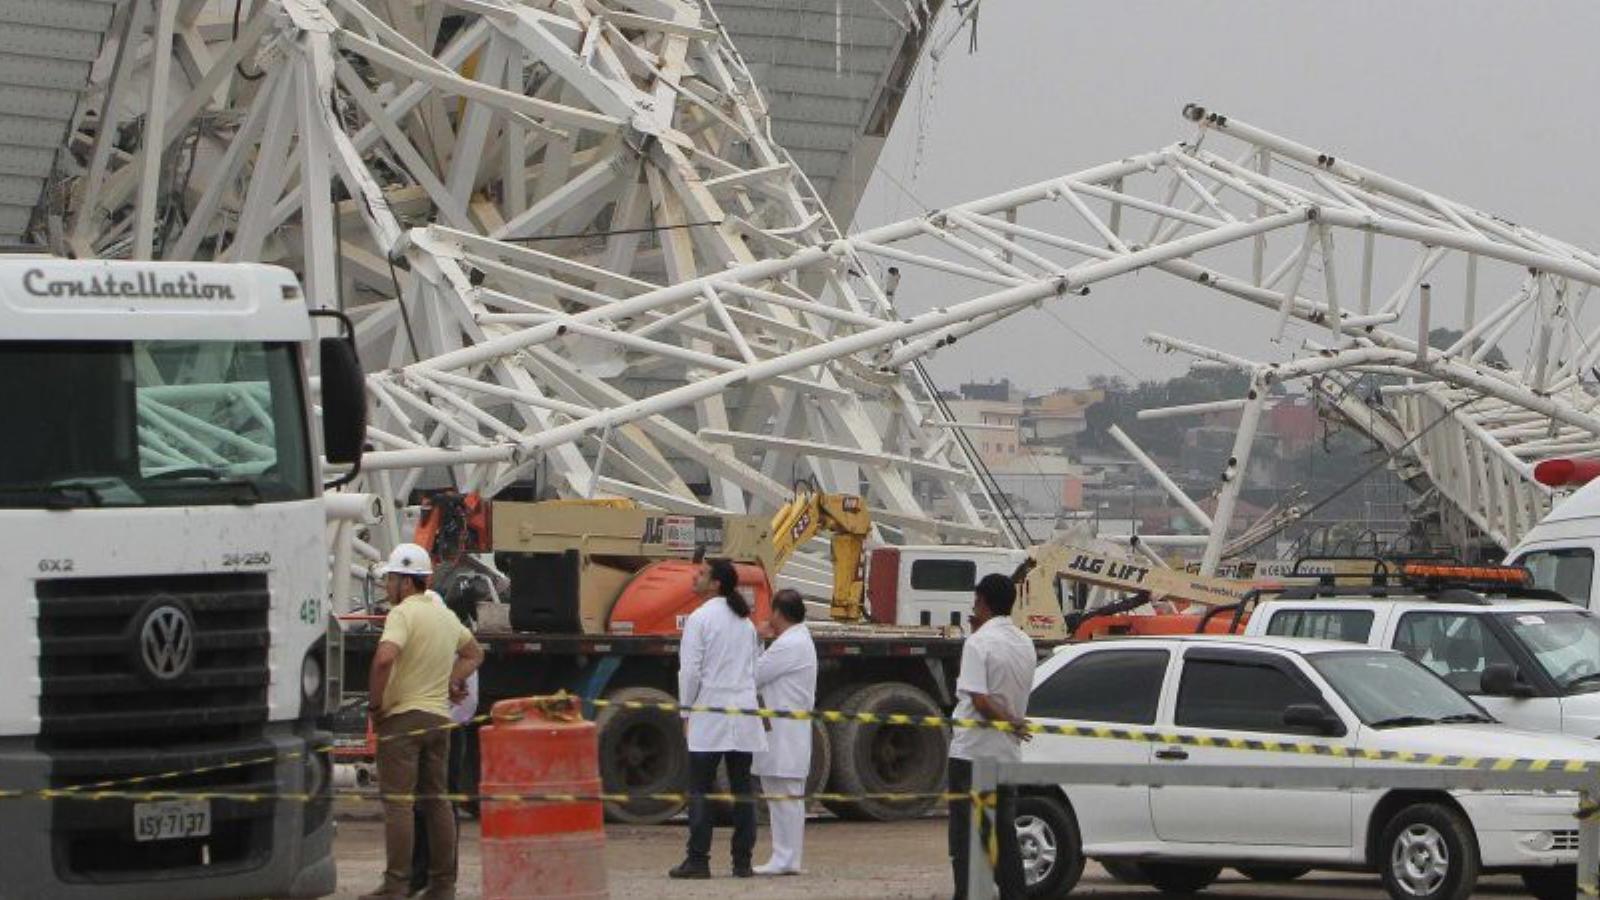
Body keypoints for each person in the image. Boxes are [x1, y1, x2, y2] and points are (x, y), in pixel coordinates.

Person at [361, 543, 485, 900]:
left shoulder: (402, 614)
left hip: (403, 719)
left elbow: (385, 659)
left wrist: (375, 706)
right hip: (438, 719)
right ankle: (443, 885)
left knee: (399, 803)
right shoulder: (445, 616)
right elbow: (474, 653)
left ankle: (396, 885)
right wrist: (451, 680)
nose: (387, 588)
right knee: (438, 802)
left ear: (405, 582)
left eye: (391, 581)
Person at [670, 558, 767, 880]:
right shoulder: (745, 621)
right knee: (742, 789)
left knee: (700, 788)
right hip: (743, 710)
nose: (695, 577)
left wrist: (686, 711)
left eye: (702, 574)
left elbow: (690, 671)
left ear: (716, 584)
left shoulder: (699, 619)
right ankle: (742, 862)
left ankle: (698, 860)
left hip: (709, 710)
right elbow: (755, 668)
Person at [948, 573, 1034, 900]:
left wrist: (1009, 720)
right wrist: (1013, 721)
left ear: (982, 602)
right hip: (1007, 757)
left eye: (975, 602)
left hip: (972, 755)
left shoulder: (979, 642)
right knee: (1004, 839)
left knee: (966, 841)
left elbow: (980, 701)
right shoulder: (1024, 642)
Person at [409, 594, 482, 895]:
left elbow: (466, 703)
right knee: (425, 806)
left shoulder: (451, 643)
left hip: (446, 730)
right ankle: (427, 873)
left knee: (437, 805)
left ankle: (436, 875)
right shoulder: (448, 640)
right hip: (442, 728)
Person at [751, 589, 818, 876]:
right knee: (782, 796)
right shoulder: (796, 640)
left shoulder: (790, 643)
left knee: (785, 796)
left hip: (785, 733)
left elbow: (755, 673)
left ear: (778, 612)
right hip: (784, 730)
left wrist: (756, 639)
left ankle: (786, 857)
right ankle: (785, 856)